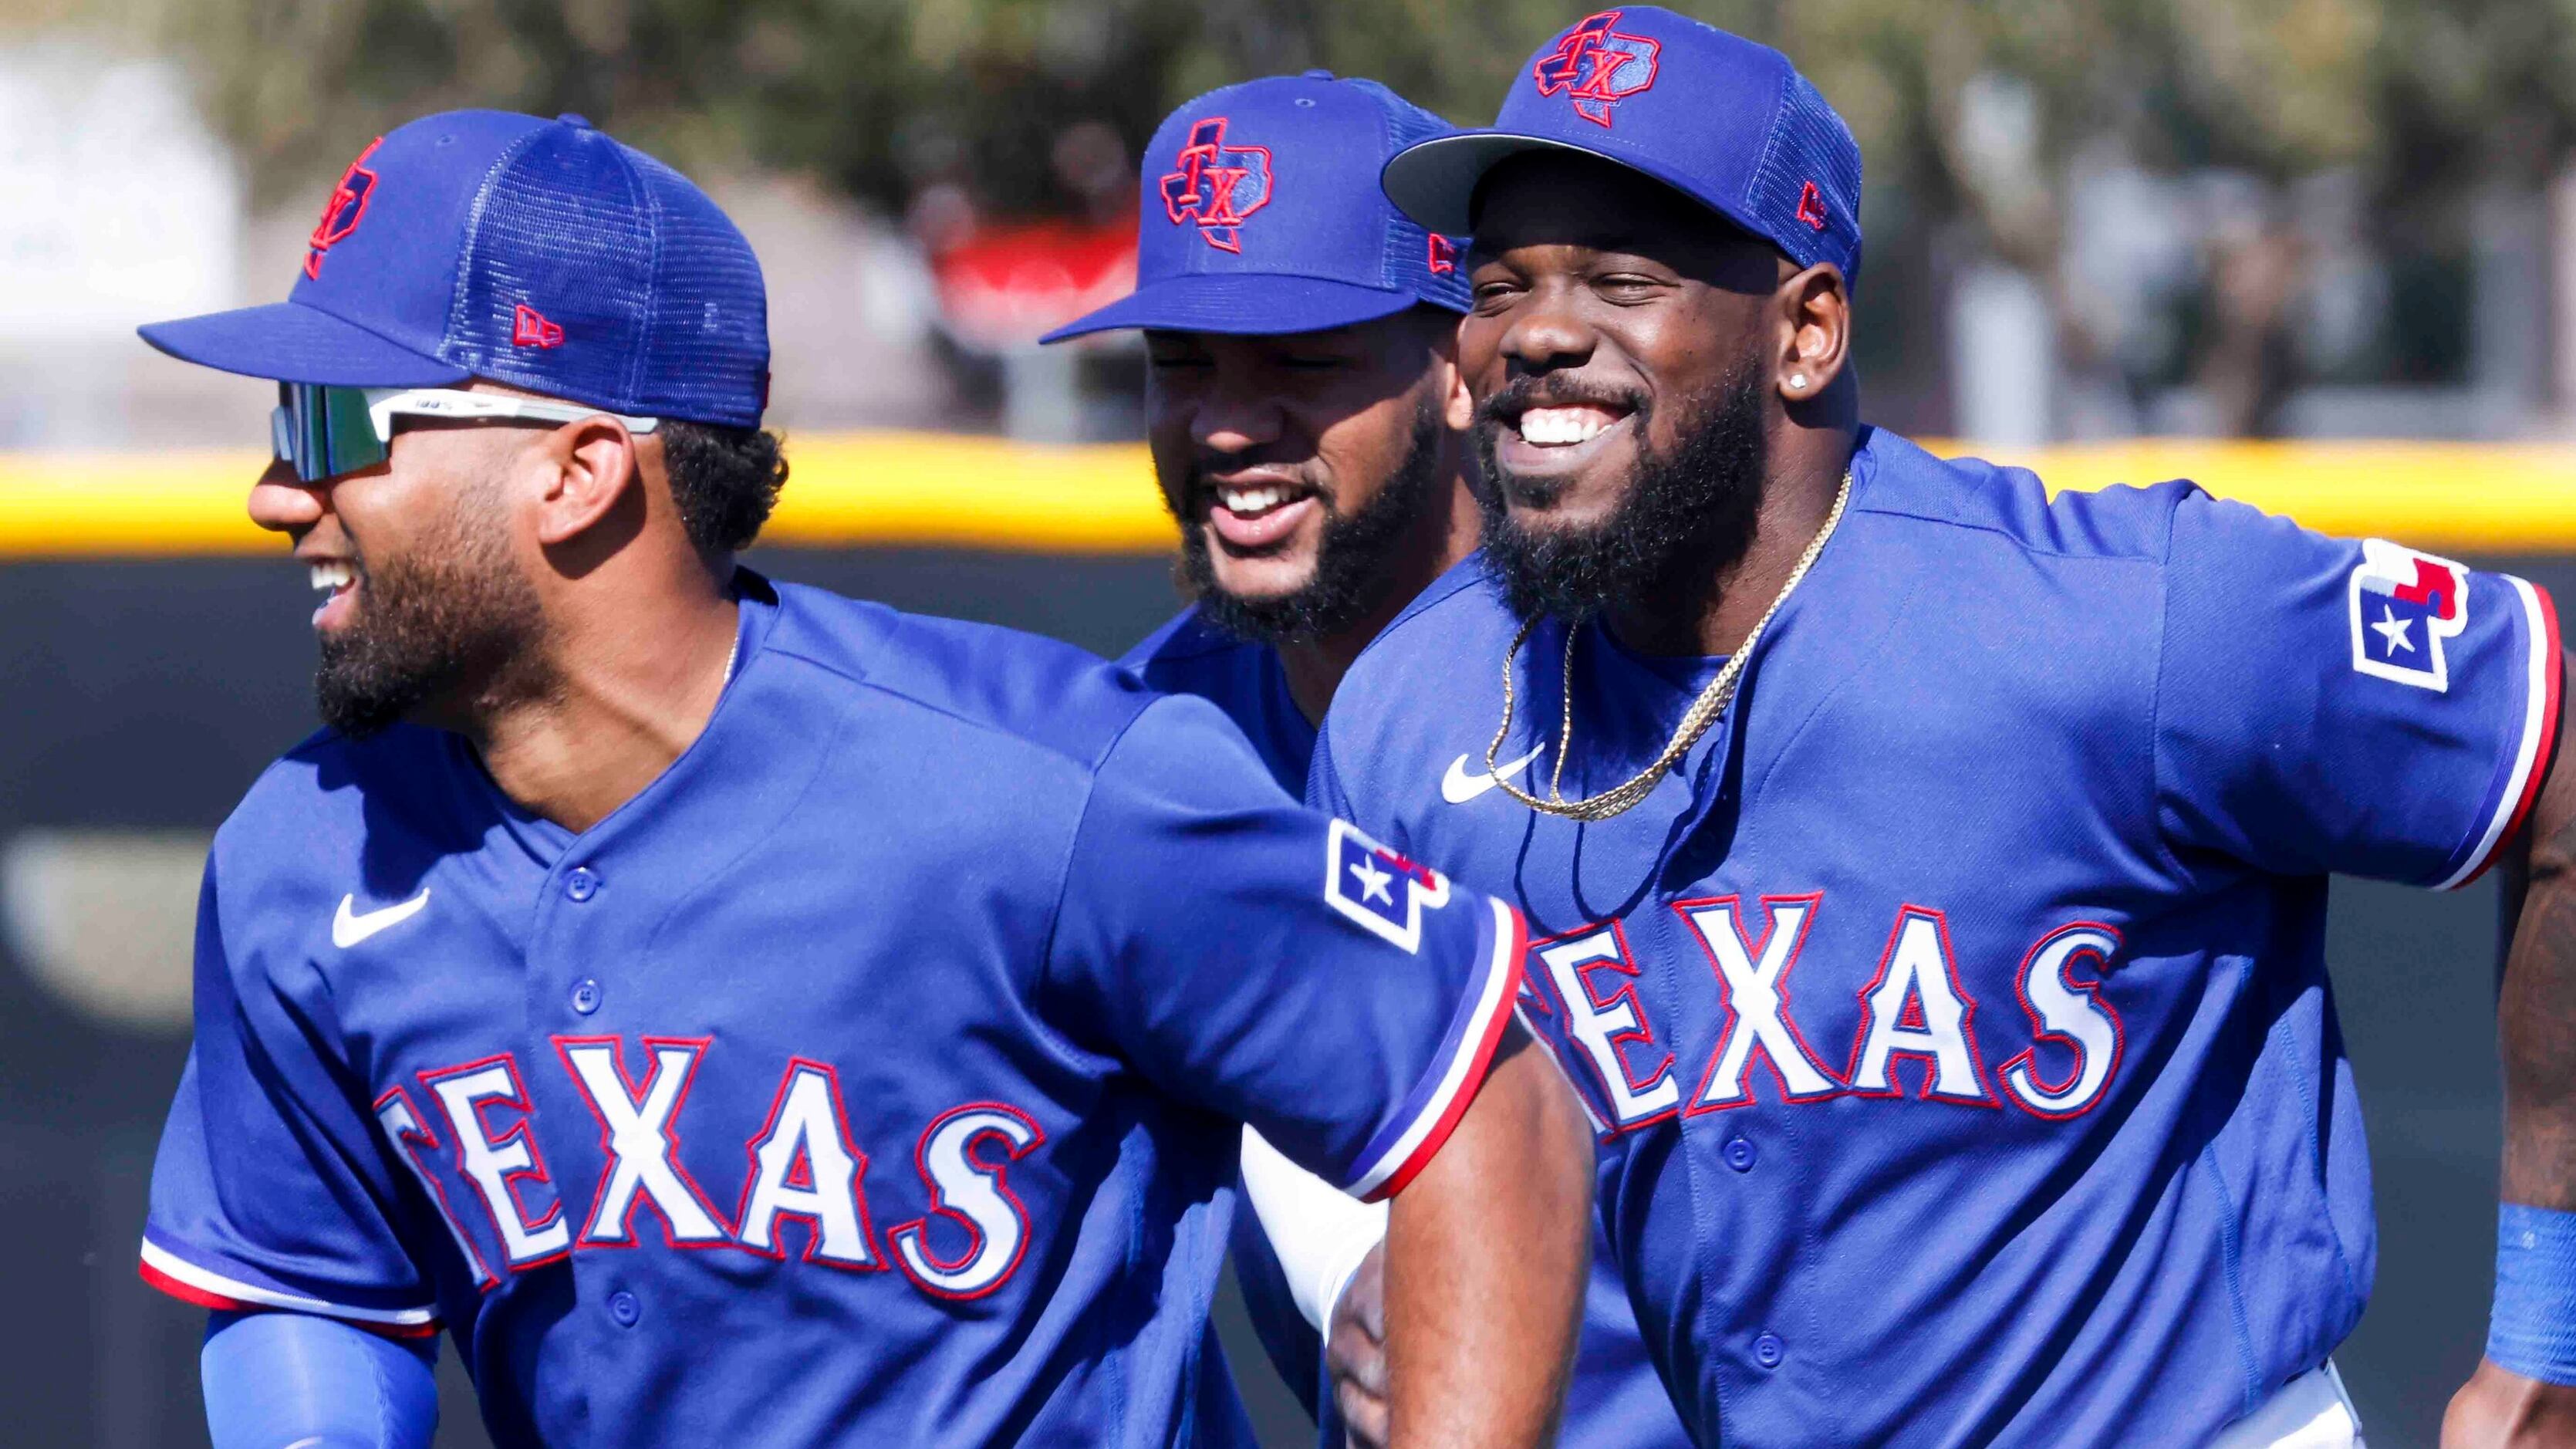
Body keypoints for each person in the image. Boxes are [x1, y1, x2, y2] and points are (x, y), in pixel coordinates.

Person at [130, 107, 1594, 1449]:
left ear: (576, 473)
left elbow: (1489, 1102)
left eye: (331, 424)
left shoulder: (1046, 788)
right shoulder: (306, 854)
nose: (276, 491)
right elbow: (302, 1280)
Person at [1305, 8, 2576, 1445]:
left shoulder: (2131, 616)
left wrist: (2549, 1335)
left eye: (1621, 273)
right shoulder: (1417, 714)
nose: (1535, 329)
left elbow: (2564, 764)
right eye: (1500, 282)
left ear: (1806, 331)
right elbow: (1359, 1093)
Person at [1045, 71, 1697, 1448]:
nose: (1226, 423)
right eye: (1183, 361)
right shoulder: (1142, 753)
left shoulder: (1645, 674)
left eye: (1299, 360)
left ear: (1460, 369)